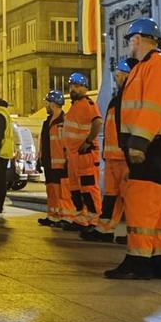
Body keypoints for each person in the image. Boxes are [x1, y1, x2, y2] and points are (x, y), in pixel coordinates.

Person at [105, 18, 161, 280]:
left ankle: (138, 260)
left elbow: (153, 106)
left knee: (140, 202)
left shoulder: (157, 64)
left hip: (153, 145)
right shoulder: (146, 66)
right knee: (156, 206)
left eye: (129, 40)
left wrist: (139, 143)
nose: (128, 45)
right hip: (154, 143)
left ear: (137, 39)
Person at [84, 58, 133, 244]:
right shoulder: (117, 99)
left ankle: (134, 234)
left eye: (120, 75)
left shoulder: (129, 98)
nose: (117, 79)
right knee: (111, 197)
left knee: (130, 199)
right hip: (113, 158)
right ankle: (104, 229)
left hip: (123, 158)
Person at [63, 72, 102, 230]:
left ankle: (93, 220)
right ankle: (80, 219)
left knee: (88, 189)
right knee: (76, 189)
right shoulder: (74, 106)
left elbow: (98, 122)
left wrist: (88, 141)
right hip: (74, 155)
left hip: (85, 154)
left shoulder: (88, 104)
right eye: (72, 86)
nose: (73, 89)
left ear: (85, 88)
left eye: (77, 86)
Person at [36, 92, 68, 228]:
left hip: (61, 164)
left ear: (53, 104)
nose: (46, 106)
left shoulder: (64, 121)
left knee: (60, 192)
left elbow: (67, 142)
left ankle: (63, 217)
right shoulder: (47, 122)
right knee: (51, 191)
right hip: (49, 162)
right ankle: (53, 216)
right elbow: (44, 142)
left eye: (47, 103)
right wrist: (40, 158)